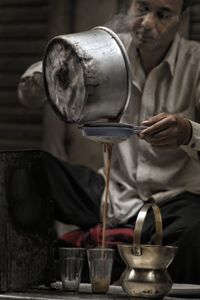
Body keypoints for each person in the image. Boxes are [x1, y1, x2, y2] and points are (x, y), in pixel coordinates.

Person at [18, 0, 200, 284]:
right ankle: (34, 275)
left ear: (182, 18)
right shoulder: (107, 52)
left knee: (194, 233)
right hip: (111, 190)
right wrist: (53, 73)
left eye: (163, 14)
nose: (147, 22)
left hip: (172, 201)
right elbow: (27, 97)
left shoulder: (197, 64)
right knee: (28, 170)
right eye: (142, 8)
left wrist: (189, 132)